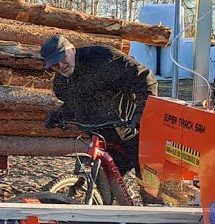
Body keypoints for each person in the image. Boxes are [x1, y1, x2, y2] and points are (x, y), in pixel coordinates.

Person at [42, 34, 158, 176]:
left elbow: (145, 78)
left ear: (72, 49)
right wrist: (60, 114)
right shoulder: (62, 82)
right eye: (54, 64)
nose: (61, 66)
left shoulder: (103, 58)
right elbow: (78, 102)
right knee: (103, 184)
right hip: (104, 137)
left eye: (62, 58)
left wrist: (142, 112)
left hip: (131, 131)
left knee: (148, 186)